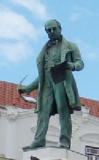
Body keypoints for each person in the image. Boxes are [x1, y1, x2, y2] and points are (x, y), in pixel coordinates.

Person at [19, 19, 84, 150]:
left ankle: (65, 141)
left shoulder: (71, 46)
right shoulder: (45, 50)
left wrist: (71, 65)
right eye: (48, 30)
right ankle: (39, 140)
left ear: (60, 28)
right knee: (43, 112)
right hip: (47, 83)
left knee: (63, 111)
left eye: (54, 29)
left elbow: (80, 63)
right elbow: (42, 75)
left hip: (62, 81)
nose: (51, 32)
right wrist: (28, 88)